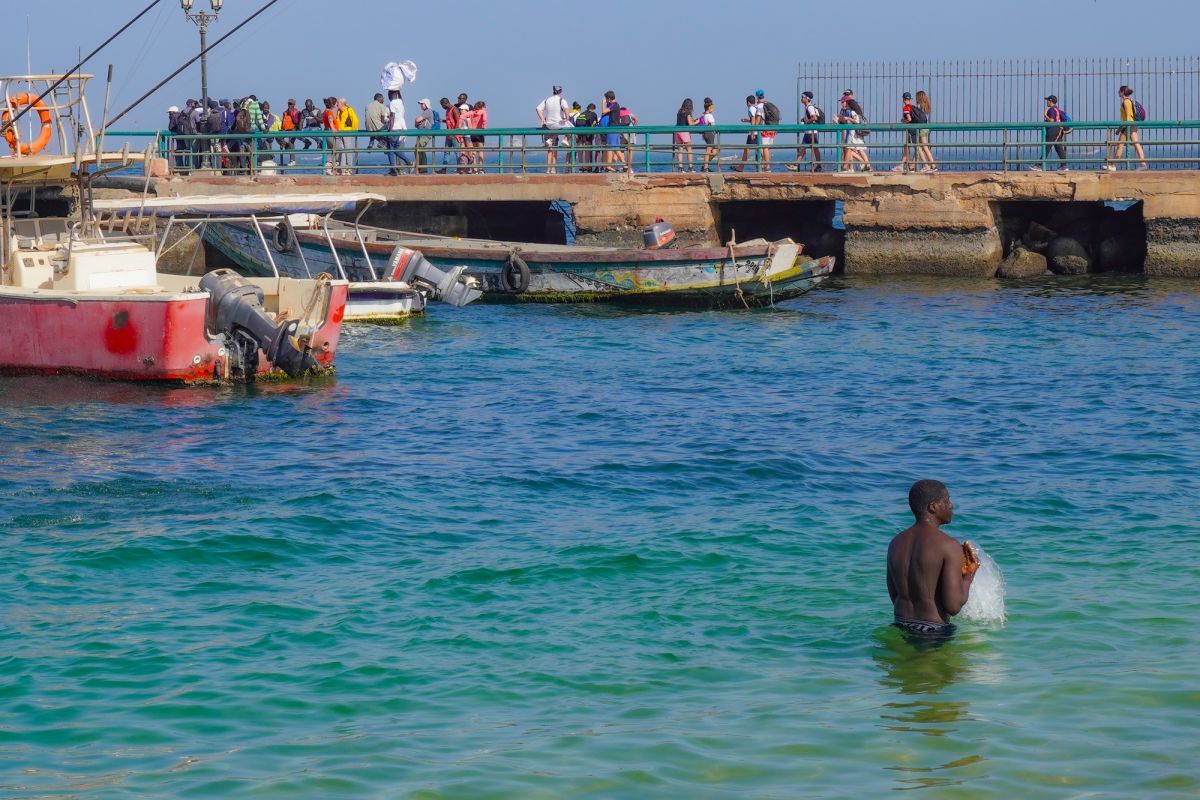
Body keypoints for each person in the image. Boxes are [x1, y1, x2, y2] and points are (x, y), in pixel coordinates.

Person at [886, 480, 979, 637]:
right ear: (933, 507)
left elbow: (895, 595)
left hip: (900, 624)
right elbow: (953, 606)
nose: (951, 505)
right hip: (932, 631)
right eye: (947, 500)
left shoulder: (896, 542)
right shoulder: (949, 545)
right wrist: (969, 576)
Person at [1108, 85, 1147, 171]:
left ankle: (1113, 165)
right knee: (1137, 145)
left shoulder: (1126, 102)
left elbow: (1128, 117)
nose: (1118, 93)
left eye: (1119, 91)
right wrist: (1120, 128)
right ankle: (1143, 164)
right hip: (1132, 125)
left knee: (1120, 146)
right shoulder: (1129, 101)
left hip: (1128, 126)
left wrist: (1122, 128)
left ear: (1122, 92)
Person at [535, 85, 570, 173]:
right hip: (557, 124)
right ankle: (565, 139)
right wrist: (566, 118)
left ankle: (548, 169)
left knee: (549, 149)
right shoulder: (562, 100)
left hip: (548, 125)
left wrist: (543, 120)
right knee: (571, 128)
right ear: (560, 91)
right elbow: (566, 110)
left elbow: (538, 109)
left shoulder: (547, 100)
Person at [789, 91, 823, 172]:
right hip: (809, 132)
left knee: (813, 149)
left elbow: (814, 117)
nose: (801, 98)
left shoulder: (810, 107)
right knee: (804, 149)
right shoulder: (809, 107)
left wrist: (807, 122)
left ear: (807, 98)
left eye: (802, 97)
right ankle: (796, 165)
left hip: (811, 132)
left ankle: (818, 165)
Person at [839, 94, 871, 172]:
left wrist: (847, 118)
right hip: (852, 132)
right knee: (854, 149)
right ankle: (865, 164)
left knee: (850, 148)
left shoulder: (852, 112)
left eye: (843, 102)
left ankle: (845, 167)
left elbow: (856, 121)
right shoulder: (846, 111)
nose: (842, 104)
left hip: (852, 133)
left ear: (847, 103)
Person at [385, 89, 412, 176]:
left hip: (394, 129)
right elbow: (400, 98)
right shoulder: (400, 102)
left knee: (391, 151)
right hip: (401, 128)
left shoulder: (392, 103)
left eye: (389, 93)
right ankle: (407, 162)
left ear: (391, 94)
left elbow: (392, 116)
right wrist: (398, 89)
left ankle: (395, 169)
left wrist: (390, 129)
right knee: (395, 150)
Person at [1038, 94, 1068, 171]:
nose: (1046, 102)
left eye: (1047, 100)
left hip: (1052, 131)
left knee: (1046, 147)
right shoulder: (1057, 109)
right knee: (1059, 148)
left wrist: (1045, 115)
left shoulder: (1051, 109)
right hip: (1058, 131)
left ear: (1050, 101)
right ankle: (1064, 166)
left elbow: (1051, 120)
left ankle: (1038, 166)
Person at [734, 94, 761, 172]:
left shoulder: (751, 109)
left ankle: (741, 167)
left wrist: (752, 132)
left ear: (748, 102)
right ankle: (762, 167)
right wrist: (747, 121)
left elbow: (753, 120)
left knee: (746, 150)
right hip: (758, 132)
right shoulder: (756, 108)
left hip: (753, 132)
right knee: (759, 150)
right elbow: (755, 120)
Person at [894, 92, 917, 173]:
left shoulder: (906, 108)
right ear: (910, 99)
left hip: (910, 130)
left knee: (909, 148)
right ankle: (910, 166)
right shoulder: (913, 107)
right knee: (913, 148)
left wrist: (903, 120)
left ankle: (906, 166)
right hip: (915, 129)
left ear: (903, 99)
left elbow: (909, 119)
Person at [756, 89, 779, 171]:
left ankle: (767, 166)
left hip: (766, 128)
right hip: (773, 128)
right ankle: (766, 165)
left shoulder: (759, 106)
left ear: (757, 97)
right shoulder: (768, 104)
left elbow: (758, 120)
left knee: (764, 147)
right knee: (768, 148)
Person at [914, 90, 936, 172]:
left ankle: (931, 166)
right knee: (921, 147)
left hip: (922, 128)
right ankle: (928, 165)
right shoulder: (925, 105)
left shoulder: (919, 106)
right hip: (926, 127)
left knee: (923, 147)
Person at [413, 98, 437, 174]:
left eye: (422, 104)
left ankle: (420, 168)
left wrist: (417, 120)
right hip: (422, 133)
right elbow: (416, 124)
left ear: (426, 104)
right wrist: (417, 121)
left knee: (418, 148)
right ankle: (422, 168)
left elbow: (417, 121)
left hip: (425, 134)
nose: (420, 105)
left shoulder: (428, 112)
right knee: (420, 149)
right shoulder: (425, 112)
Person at [574, 102, 598, 172]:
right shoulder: (593, 114)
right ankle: (587, 167)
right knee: (587, 151)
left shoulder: (581, 114)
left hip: (579, 134)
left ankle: (580, 167)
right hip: (587, 135)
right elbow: (595, 124)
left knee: (580, 151)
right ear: (593, 109)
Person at [337, 98, 359, 174]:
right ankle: (342, 168)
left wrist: (352, 131)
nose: (337, 104)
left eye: (338, 103)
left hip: (347, 132)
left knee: (348, 149)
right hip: (340, 132)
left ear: (342, 103)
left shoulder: (349, 110)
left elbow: (355, 120)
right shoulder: (339, 111)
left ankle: (349, 168)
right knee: (342, 150)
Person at [364, 92, 390, 157]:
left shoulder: (367, 105)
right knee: (389, 125)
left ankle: (371, 143)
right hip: (376, 127)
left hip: (368, 127)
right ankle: (383, 142)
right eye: (383, 98)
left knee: (373, 129)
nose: (383, 100)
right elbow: (382, 120)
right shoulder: (381, 106)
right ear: (378, 98)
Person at [674, 98, 695, 172]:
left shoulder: (679, 111)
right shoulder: (687, 113)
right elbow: (690, 124)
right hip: (684, 132)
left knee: (680, 150)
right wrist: (696, 122)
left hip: (677, 131)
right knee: (689, 149)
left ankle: (680, 168)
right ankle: (690, 167)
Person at [280, 99, 302, 166]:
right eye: (289, 104)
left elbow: (297, 122)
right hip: (285, 129)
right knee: (278, 137)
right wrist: (282, 129)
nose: (290, 105)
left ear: (294, 105)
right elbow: (283, 121)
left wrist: (291, 114)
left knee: (291, 141)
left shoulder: (297, 112)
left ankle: (292, 160)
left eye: (291, 104)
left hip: (293, 129)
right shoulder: (285, 112)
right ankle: (286, 146)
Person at [439, 97, 459, 173]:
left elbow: (458, 121)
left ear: (445, 103)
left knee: (457, 152)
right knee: (446, 151)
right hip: (448, 134)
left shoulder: (454, 110)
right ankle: (444, 169)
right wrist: (442, 120)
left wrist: (454, 132)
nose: (442, 107)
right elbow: (449, 120)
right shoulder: (447, 111)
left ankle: (460, 168)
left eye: (442, 105)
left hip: (454, 135)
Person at [321, 97, 340, 175]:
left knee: (330, 149)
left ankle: (330, 169)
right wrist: (333, 129)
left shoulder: (325, 111)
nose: (337, 104)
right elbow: (330, 120)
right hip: (330, 132)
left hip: (327, 131)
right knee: (338, 148)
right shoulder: (329, 112)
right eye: (336, 103)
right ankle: (331, 165)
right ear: (333, 104)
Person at [698, 99, 717, 172]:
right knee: (708, 151)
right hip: (710, 134)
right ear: (709, 108)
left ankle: (704, 165)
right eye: (712, 107)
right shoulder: (709, 116)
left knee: (714, 152)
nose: (713, 109)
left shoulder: (704, 115)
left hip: (706, 134)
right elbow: (713, 125)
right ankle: (705, 167)